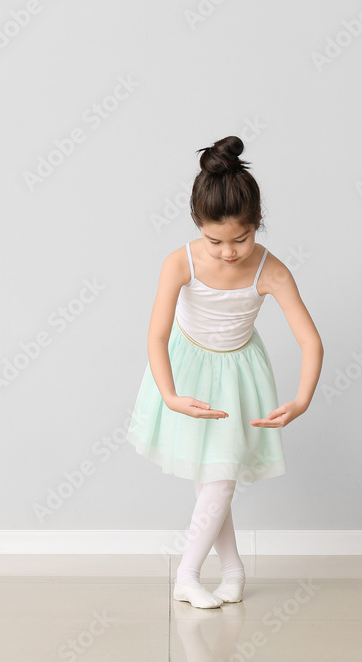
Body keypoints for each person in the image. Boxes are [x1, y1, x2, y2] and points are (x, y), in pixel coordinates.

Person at [126, 135, 324, 609]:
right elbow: (155, 336)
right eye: (215, 241)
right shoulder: (180, 262)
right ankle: (200, 576)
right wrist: (171, 395)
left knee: (219, 480)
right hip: (186, 370)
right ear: (198, 226)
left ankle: (208, 574)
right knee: (212, 480)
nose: (229, 252)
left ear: (258, 223)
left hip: (238, 377)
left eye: (241, 238)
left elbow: (310, 340)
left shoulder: (271, 270)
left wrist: (301, 400)